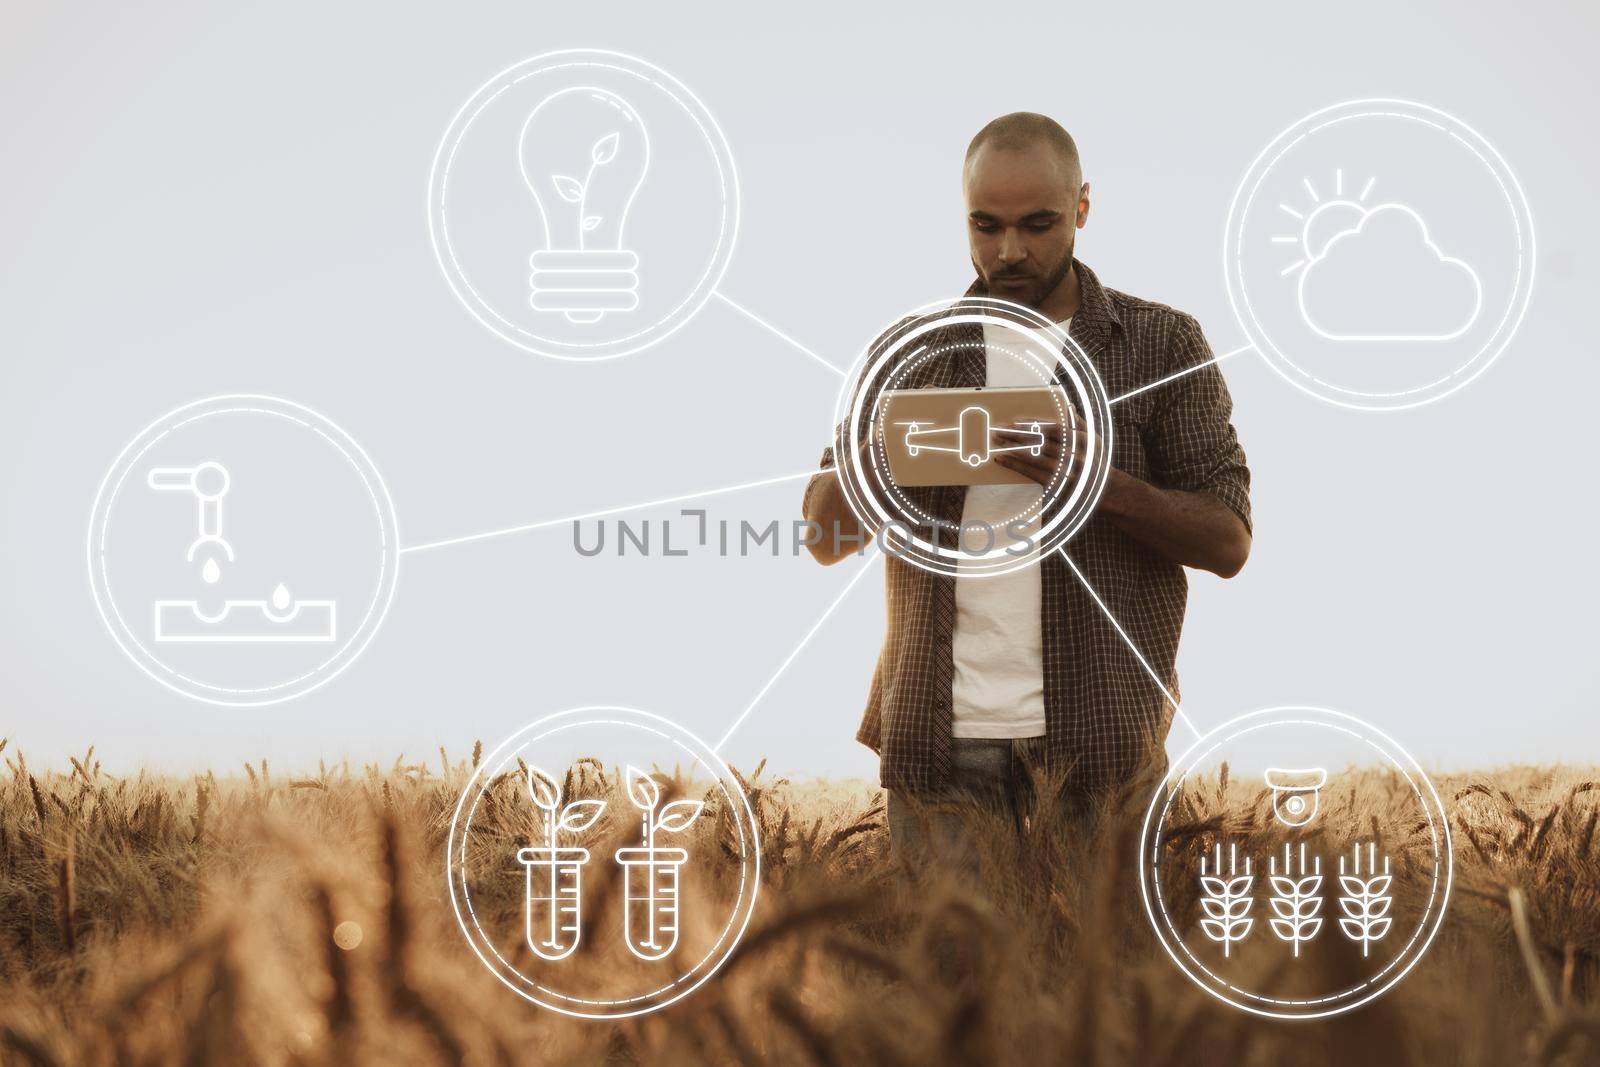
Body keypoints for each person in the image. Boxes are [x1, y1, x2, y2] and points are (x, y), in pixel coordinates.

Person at [801, 113, 1252, 868]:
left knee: (1113, 988)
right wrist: (885, 452)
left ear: (1082, 208)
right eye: (986, 225)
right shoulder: (904, 355)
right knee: (952, 987)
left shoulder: (1161, 343)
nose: (1009, 250)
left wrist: (1097, 482)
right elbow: (823, 539)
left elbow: (1229, 539)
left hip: (1103, 745)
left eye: (1037, 224)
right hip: (938, 750)